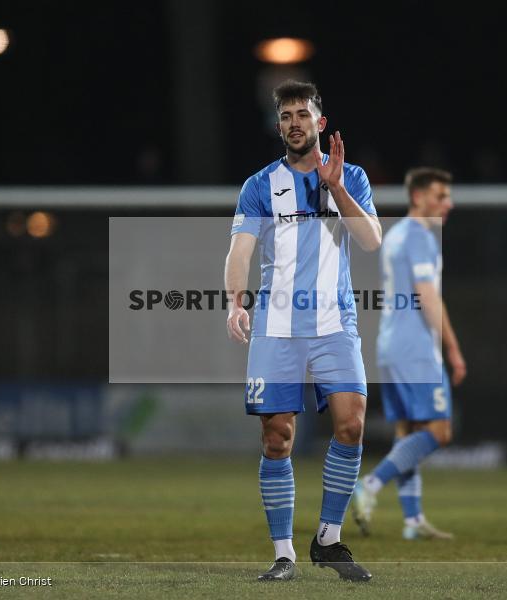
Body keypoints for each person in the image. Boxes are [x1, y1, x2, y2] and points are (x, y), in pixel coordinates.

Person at [224, 80, 381, 582]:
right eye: (286, 115)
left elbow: (371, 240)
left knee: (352, 425)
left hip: (336, 322)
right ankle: (284, 552)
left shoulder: (351, 177)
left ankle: (329, 540)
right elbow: (241, 250)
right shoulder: (259, 185)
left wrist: (335, 188)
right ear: (279, 126)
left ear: (321, 122)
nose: (295, 122)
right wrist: (234, 301)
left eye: (303, 114)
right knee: (277, 437)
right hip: (277, 325)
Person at [352, 167, 466, 540]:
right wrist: (451, 347)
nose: (447, 203)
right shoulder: (419, 236)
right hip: (415, 347)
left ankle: (413, 520)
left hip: (390, 344)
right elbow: (428, 297)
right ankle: (371, 483)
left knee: (408, 434)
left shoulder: (397, 234)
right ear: (418, 197)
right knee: (439, 431)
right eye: (439, 195)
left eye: (447, 196)